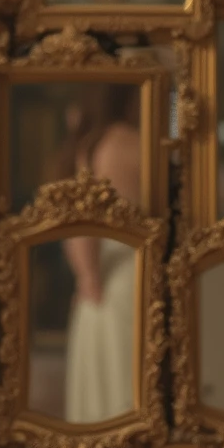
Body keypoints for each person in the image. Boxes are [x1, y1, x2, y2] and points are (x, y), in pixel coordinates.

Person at [61, 86, 141, 424]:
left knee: (107, 390)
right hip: (127, 275)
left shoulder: (90, 145)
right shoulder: (130, 141)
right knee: (126, 390)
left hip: (103, 278)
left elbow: (78, 226)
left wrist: (86, 274)